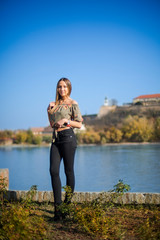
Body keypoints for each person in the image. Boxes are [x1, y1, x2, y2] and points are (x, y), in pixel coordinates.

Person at [47, 77, 83, 220]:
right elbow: (51, 124)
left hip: (68, 138)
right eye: (59, 87)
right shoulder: (53, 104)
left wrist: (67, 121)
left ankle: (66, 208)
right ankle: (58, 209)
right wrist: (49, 111)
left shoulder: (73, 103)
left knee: (68, 171)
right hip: (56, 139)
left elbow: (79, 124)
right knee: (53, 171)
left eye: (64, 87)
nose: (62, 89)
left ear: (69, 88)